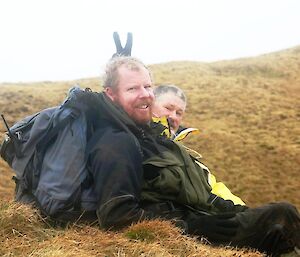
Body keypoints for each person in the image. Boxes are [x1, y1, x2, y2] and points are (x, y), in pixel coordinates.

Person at [87, 56, 300, 257]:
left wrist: (234, 210)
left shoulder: (149, 137)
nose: (145, 94)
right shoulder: (115, 142)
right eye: (132, 88)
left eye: (147, 86)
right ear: (111, 94)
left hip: (204, 219)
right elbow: (117, 216)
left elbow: (200, 192)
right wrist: (191, 227)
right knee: (282, 216)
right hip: (190, 230)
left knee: (278, 231)